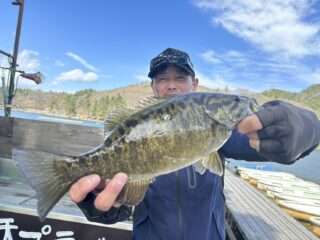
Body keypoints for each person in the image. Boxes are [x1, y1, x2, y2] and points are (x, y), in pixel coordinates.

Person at [69, 48, 320, 239]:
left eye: (180, 77)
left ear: (195, 84)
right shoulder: (137, 130)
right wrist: (103, 208)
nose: (171, 85)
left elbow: (278, 147)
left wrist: (305, 130)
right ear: (153, 87)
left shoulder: (221, 135)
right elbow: (124, 201)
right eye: (162, 79)